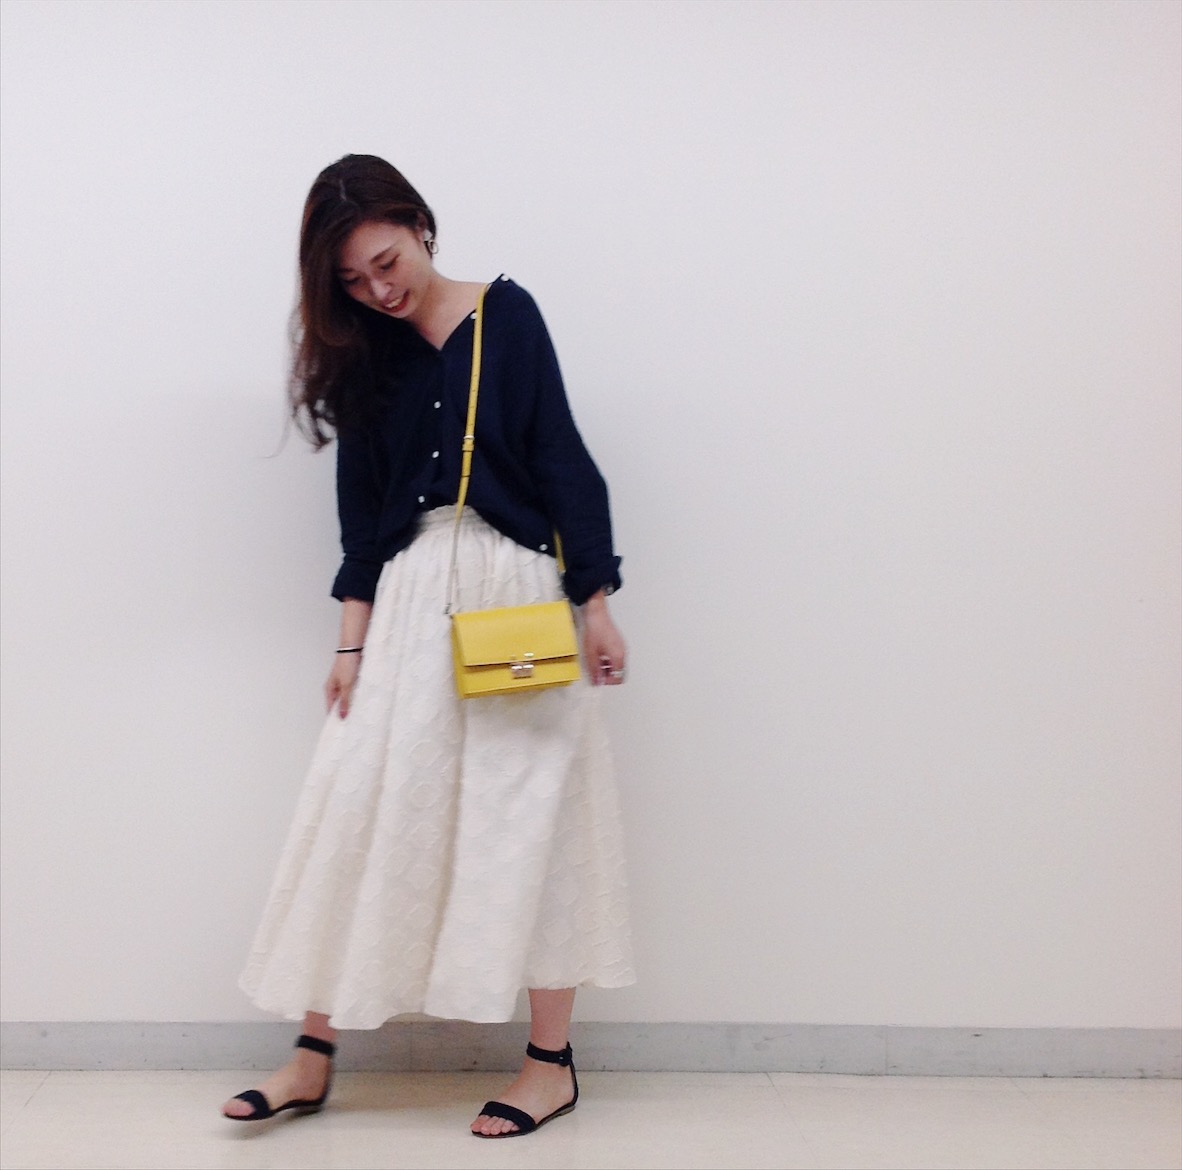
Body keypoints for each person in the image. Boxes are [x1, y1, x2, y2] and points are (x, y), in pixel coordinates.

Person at [221, 154, 634, 1138]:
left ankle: (549, 1066)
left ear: (419, 225)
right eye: (354, 280)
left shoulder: (509, 316)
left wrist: (596, 600)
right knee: (356, 807)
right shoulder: (365, 353)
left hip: (517, 596)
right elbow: (361, 512)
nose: (378, 290)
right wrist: (350, 647)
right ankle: (312, 1056)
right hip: (410, 600)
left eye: (386, 262)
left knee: (534, 822)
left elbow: (560, 454)